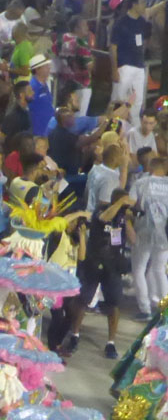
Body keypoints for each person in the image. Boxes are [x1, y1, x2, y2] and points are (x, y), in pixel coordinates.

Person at [69, 190, 134, 358]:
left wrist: (127, 220)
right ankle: (74, 335)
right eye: (124, 201)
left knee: (114, 303)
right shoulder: (101, 210)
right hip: (94, 262)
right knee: (83, 299)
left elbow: (133, 239)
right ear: (116, 200)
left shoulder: (122, 217)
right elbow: (104, 218)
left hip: (113, 265)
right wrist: (119, 204)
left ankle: (111, 343)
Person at [111, 0, 165, 120]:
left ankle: (134, 125)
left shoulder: (142, 23)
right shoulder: (121, 23)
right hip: (124, 66)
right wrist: (114, 70)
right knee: (119, 99)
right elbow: (113, 48)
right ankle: (114, 125)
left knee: (138, 101)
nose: (144, 5)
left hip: (139, 66)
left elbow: (145, 40)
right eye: (142, 3)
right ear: (134, 5)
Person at [131, 156, 168, 318]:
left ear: (151, 167)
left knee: (139, 269)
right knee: (160, 270)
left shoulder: (140, 183)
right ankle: (165, 309)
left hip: (143, 231)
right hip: (165, 233)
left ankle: (145, 309)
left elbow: (130, 204)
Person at [86, 142, 128, 213]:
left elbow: (86, 192)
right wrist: (124, 167)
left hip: (88, 211)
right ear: (114, 159)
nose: (124, 157)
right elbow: (105, 205)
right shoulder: (110, 179)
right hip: (98, 217)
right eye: (121, 155)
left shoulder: (95, 168)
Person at [28, 54, 54, 138]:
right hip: (38, 131)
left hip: (47, 130)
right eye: (46, 66)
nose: (49, 68)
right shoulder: (32, 86)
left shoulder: (44, 85)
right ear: (37, 70)